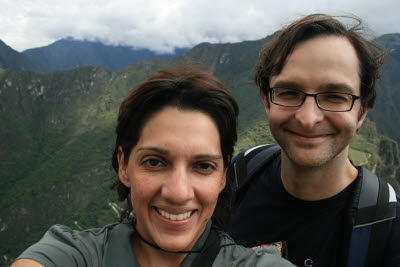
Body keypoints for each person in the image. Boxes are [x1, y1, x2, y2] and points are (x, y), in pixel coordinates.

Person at [12, 66, 294, 267]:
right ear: (123, 165)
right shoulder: (76, 254)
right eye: (155, 162)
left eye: (203, 166)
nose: (178, 192)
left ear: (223, 176)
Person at [227, 14, 400, 267]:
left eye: (335, 96)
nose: (308, 119)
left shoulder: (388, 231)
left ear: (363, 111)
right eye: (289, 93)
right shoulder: (240, 174)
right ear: (266, 101)